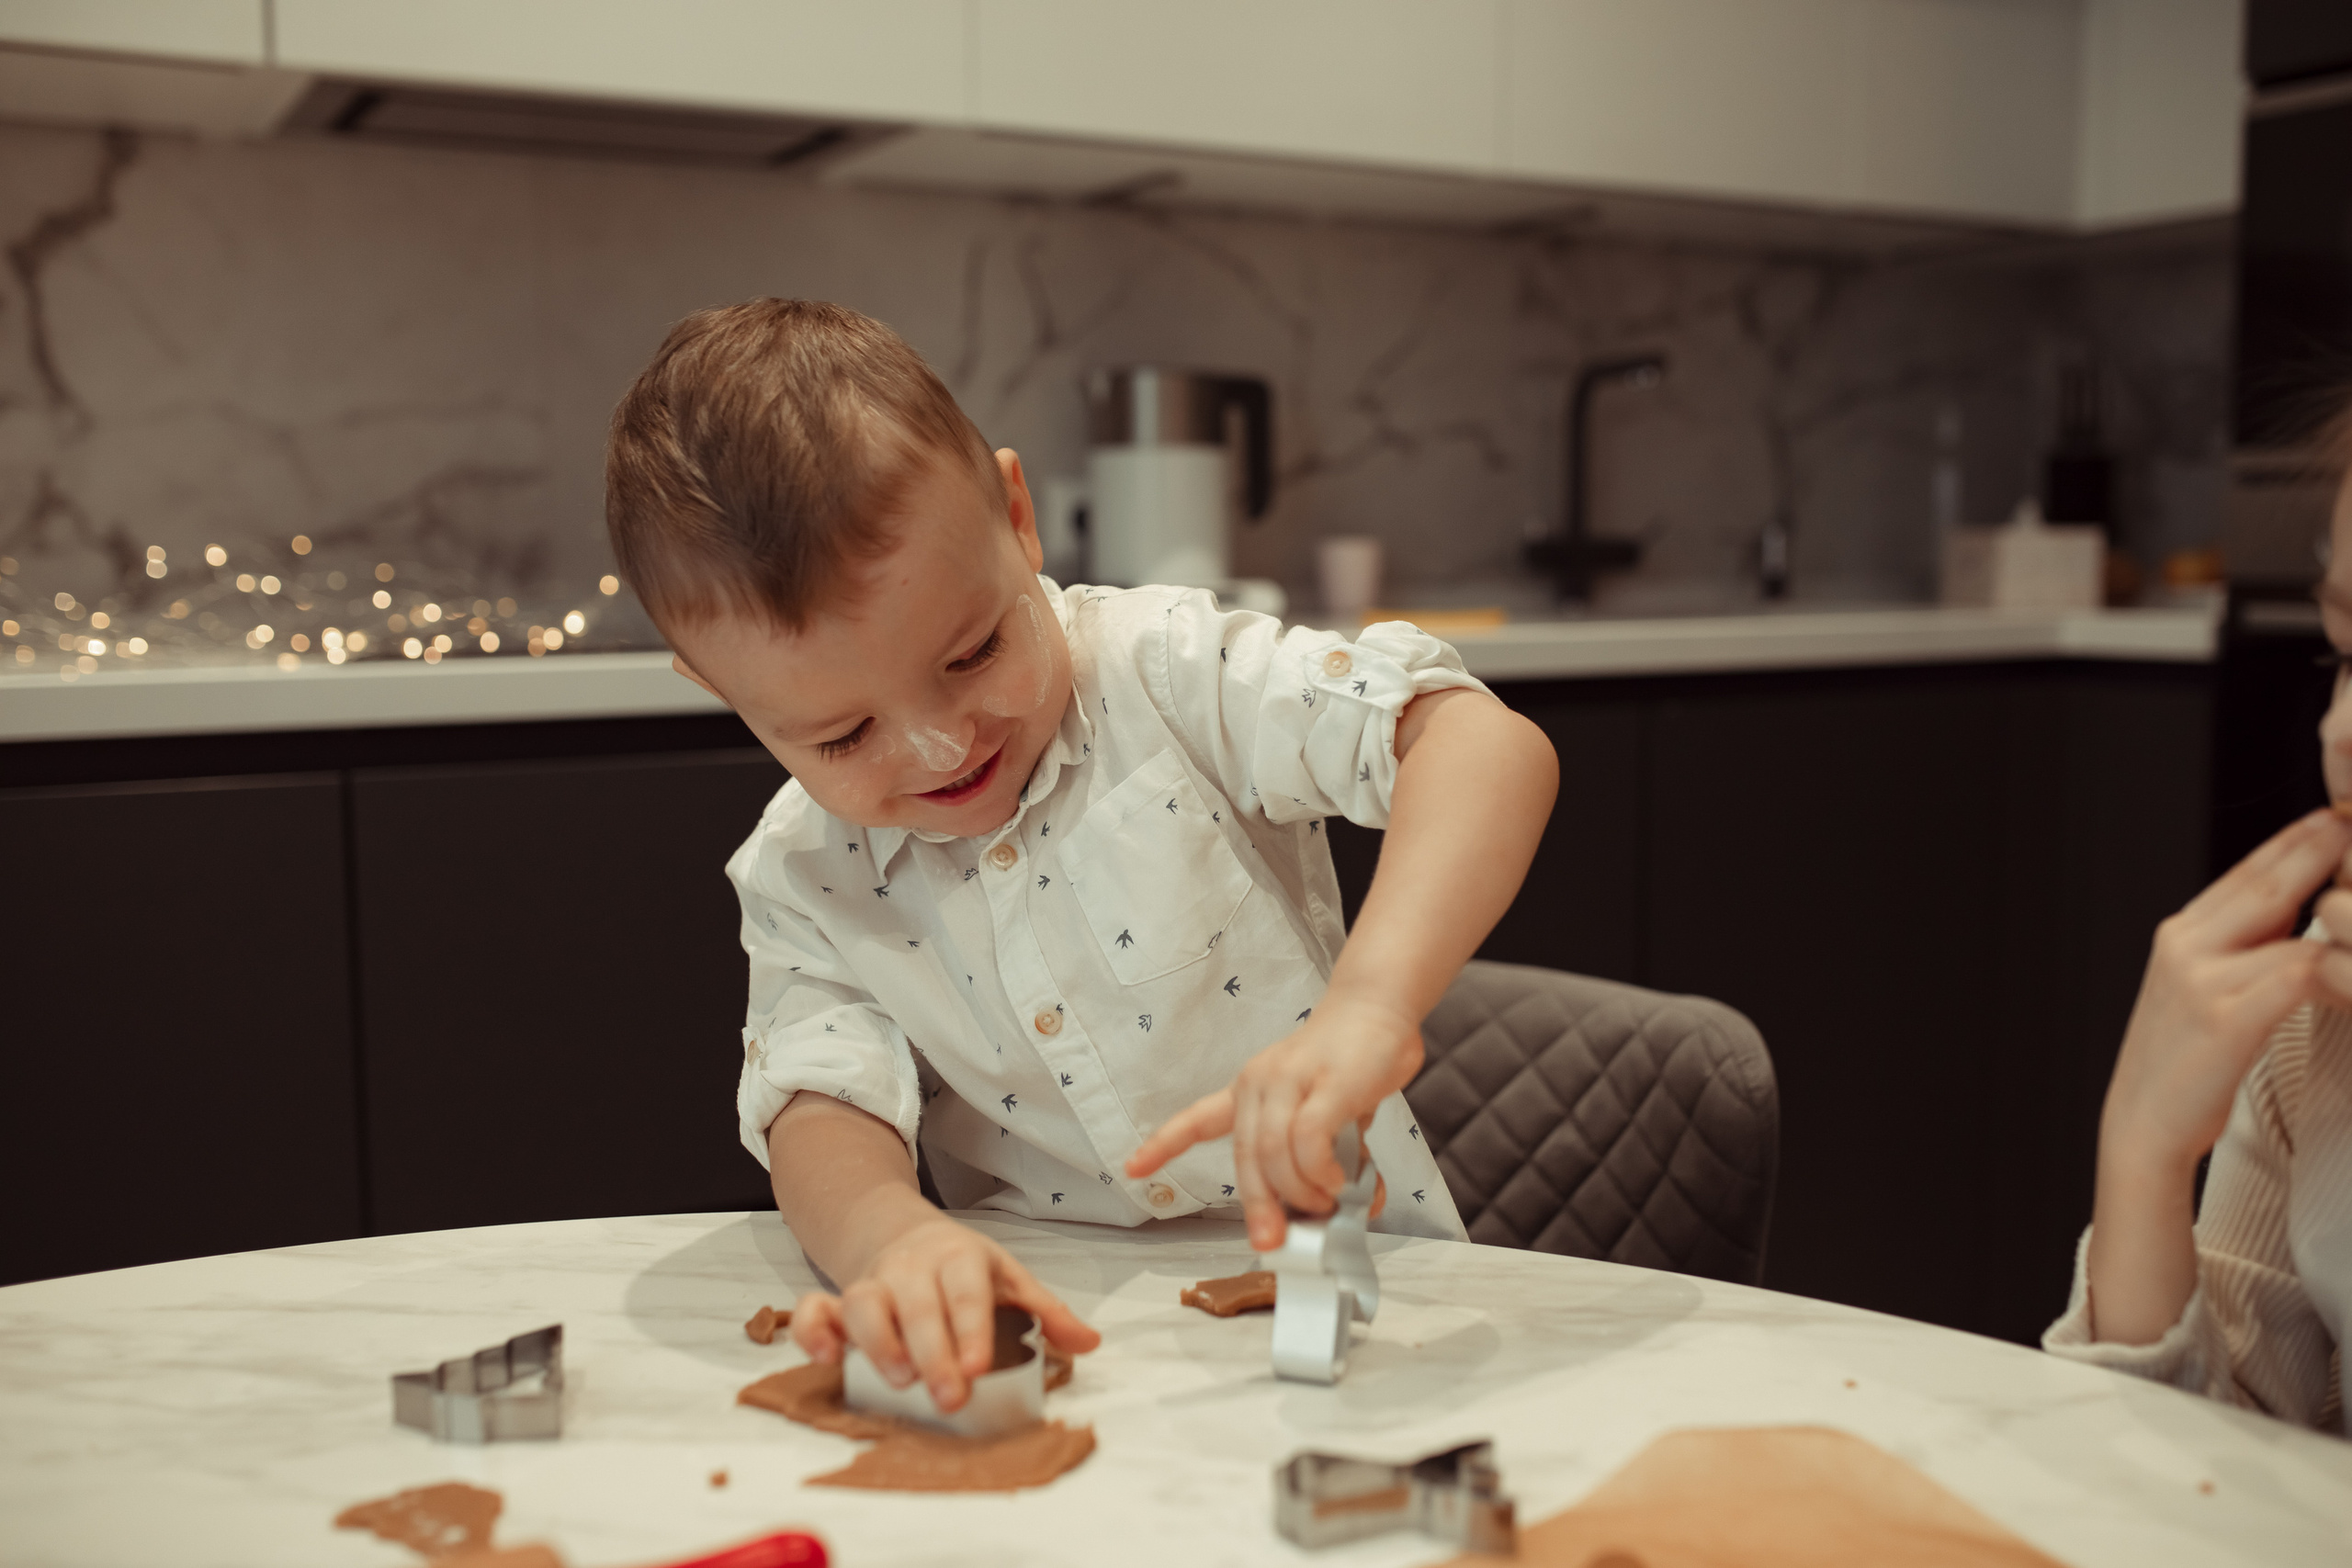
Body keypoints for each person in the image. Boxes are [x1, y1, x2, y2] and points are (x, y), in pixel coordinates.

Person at [605, 299, 1558, 1414]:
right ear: (725, 694)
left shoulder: (1168, 673)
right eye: (843, 735)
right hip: (1057, 1351)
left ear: (1018, 520)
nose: (938, 745)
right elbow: (820, 1104)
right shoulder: (803, 873)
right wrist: (888, 1238)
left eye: (973, 652)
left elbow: (1479, 744)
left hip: (1349, 1314)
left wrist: (1369, 1009)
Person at [2044, 422, 2352, 1433]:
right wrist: (2142, 1150)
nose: (2334, 731)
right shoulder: (2314, 1024)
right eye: (2344, 653)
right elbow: (2206, 1468)